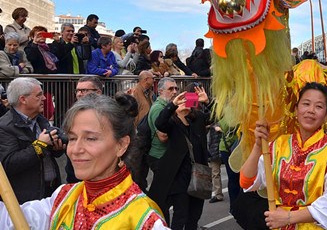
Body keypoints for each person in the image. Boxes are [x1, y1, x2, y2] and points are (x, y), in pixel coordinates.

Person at [0, 93, 170, 229]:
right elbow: (9, 218)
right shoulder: (63, 197)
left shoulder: (144, 219)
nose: (75, 149)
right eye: (72, 138)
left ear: (121, 145)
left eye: (90, 138)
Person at [239, 82, 327, 229]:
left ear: (325, 116)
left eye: (318, 106)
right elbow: (246, 182)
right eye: (306, 104)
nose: (311, 110)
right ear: (296, 110)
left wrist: (289, 217)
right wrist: (258, 146)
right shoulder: (279, 145)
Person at [148, 84, 210, 230]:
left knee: (194, 215)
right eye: (181, 100)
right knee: (180, 214)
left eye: (187, 100)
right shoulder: (172, 122)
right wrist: (172, 105)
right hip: (179, 177)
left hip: (198, 174)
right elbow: (160, 123)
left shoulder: (198, 118)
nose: (185, 103)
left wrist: (207, 102)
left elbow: (216, 116)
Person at [0, 77, 64, 204]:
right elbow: (8, 164)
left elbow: (46, 153)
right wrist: (40, 145)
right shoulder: (4, 127)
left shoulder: (40, 119)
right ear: (23, 99)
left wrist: (56, 148)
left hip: (50, 191)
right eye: (39, 95)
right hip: (25, 200)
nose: (44, 98)